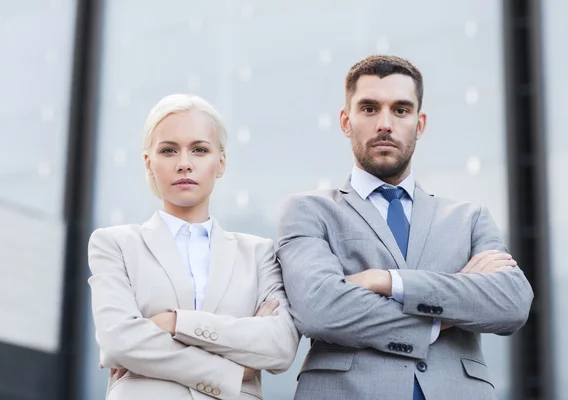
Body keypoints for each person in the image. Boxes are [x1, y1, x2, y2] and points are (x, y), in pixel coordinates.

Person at [277, 55, 534, 400]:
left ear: (420, 123)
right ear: (345, 120)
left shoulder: (469, 218)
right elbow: (319, 309)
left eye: (400, 110)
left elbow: (511, 303)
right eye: (369, 109)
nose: (385, 123)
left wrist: (386, 280)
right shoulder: (310, 210)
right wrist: (443, 316)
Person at [88, 94, 300, 400]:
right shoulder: (115, 244)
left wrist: (175, 322)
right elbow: (119, 342)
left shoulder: (258, 253)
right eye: (169, 150)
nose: (184, 164)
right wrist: (234, 370)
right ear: (149, 164)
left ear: (221, 162)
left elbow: (279, 347)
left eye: (199, 150)